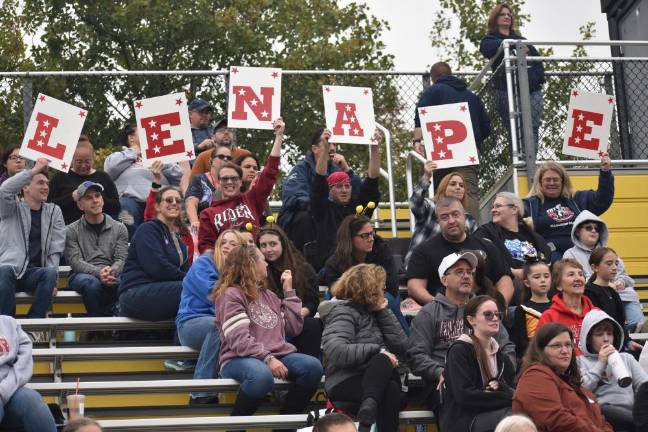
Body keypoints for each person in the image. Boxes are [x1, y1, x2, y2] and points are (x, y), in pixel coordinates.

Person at [214, 244, 324, 422]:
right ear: (251, 264)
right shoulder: (231, 295)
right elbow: (238, 340)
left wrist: (289, 292)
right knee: (261, 376)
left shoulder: (270, 296)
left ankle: (285, 424)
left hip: (277, 354)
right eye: (262, 260)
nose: (266, 264)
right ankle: (235, 427)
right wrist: (268, 359)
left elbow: (293, 328)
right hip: (238, 358)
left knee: (312, 367)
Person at [407, 252, 516, 413]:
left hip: (487, 378)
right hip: (445, 382)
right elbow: (417, 355)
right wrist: (442, 372)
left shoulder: (485, 309)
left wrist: (501, 374)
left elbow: (506, 347)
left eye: (469, 272)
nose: (466, 276)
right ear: (444, 280)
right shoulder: (429, 313)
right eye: (459, 272)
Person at [320, 264, 407, 432]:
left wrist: (383, 312)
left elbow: (402, 345)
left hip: (378, 377)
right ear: (369, 288)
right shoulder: (342, 312)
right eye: (381, 287)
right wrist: (377, 350)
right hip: (346, 379)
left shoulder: (376, 311)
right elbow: (337, 351)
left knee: (389, 384)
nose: (385, 290)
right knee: (388, 384)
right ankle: (369, 407)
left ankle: (369, 407)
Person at [412, 61, 491, 219]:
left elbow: (420, 116)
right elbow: (486, 127)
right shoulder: (472, 97)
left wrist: (417, 141)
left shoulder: (433, 91)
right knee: (468, 193)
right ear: (451, 74)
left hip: (443, 153)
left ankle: (444, 229)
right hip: (468, 153)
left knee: (442, 192)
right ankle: (473, 232)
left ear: (434, 78)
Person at [177, 229, 246, 404]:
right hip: (191, 323)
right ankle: (200, 392)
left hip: (225, 323)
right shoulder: (204, 263)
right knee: (218, 325)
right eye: (223, 242)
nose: (226, 246)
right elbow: (214, 295)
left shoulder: (242, 272)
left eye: (232, 243)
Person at [198, 117, 284, 254]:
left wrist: (279, 136)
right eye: (225, 179)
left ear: (240, 181)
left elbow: (270, 172)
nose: (230, 182)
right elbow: (206, 247)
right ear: (219, 182)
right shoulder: (208, 214)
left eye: (234, 178)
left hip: (253, 259)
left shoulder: (251, 199)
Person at [406, 197, 515, 305]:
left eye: (455, 214)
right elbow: (414, 287)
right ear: (438, 221)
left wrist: (499, 307)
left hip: (485, 312)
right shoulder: (423, 251)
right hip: (443, 315)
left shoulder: (487, 247)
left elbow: (505, 281)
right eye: (445, 217)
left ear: (464, 216)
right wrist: (439, 306)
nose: (451, 221)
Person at [300, 131, 382, 270]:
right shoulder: (323, 210)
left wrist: (374, 147)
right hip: (332, 269)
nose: (344, 190)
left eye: (347, 186)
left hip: (360, 268)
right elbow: (319, 180)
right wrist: (325, 149)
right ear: (330, 190)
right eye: (338, 187)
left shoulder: (359, 209)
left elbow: (372, 180)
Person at [513, 323, 613, 431]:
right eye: (557, 345)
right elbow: (556, 420)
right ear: (540, 350)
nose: (565, 351)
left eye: (568, 345)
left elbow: (601, 421)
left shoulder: (573, 383)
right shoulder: (535, 376)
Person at [320, 214, 409, 334]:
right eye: (365, 235)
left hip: (380, 294)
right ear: (350, 239)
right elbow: (336, 291)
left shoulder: (381, 249)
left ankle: (405, 342)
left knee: (389, 301)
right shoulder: (334, 263)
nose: (371, 238)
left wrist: (372, 299)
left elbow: (392, 284)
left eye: (372, 233)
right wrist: (364, 301)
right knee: (332, 302)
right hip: (350, 299)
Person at [0, 158, 65, 318]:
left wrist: (53, 283)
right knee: (4, 270)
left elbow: (55, 250)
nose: (45, 187)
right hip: (10, 272)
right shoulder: (10, 208)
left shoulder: (54, 211)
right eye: (40, 183)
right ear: (26, 187)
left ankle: (33, 325)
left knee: (50, 273)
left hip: (34, 274)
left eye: (47, 184)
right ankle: (7, 326)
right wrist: (34, 170)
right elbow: (4, 190)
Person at [441, 295, 515, 432]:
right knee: (514, 418)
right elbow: (465, 396)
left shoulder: (501, 356)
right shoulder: (459, 350)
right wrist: (508, 398)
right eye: (488, 314)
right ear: (471, 320)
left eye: (498, 314)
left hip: (494, 413)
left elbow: (510, 390)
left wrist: (507, 393)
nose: (495, 318)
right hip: (464, 420)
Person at [480, 3, 545, 156]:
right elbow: (486, 49)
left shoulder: (522, 40)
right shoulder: (490, 39)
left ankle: (532, 160)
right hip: (506, 90)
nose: (507, 17)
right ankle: (519, 161)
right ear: (496, 18)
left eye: (509, 14)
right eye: (503, 14)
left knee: (533, 125)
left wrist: (531, 80)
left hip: (531, 91)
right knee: (515, 128)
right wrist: (509, 45)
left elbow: (539, 64)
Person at [564, 211, 644, 332]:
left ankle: (631, 332)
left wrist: (621, 282)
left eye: (596, 229)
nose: (593, 231)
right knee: (608, 324)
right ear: (577, 231)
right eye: (588, 228)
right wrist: (603, 283)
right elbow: (573, 280)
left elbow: (624, 275)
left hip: (622, 294)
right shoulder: (570, 254)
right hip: (595, 294)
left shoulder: (608, 252)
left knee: (639, 324)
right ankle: (623, 333)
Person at [523, 157, 614, 262]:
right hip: (549, 257)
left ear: (563, 181)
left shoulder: (577, 199)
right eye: (547, 180)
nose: (552, 183)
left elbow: (602, 200)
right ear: (540, 182)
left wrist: (605, 172)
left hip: (581, 253)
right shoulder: (529, 204)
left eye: (556, 179)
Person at [118, 186, 189, 321]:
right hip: (135, 292)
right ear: (157, 206)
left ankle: (184, 340)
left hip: (162, 291)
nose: (174, 203)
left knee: (204, 289)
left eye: (178, 201)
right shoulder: (148, 229)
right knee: (196, 289)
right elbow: (157, 267)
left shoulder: (179, 241)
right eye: (168, 200)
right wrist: (192, 280)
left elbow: (186, 270)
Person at [104, 123, 184, 239]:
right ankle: (134, 245)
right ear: (131, 138)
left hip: (159, 200)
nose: (149, 132)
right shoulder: (119, 155)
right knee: (125, 212)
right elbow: (109, 169)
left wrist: (163, 162)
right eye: (142, 131)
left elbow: (178, 176)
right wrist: (133, 152)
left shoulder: (160, 154)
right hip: (130, 200)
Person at [256, 223, 322, 358]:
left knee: (312, 325)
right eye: (263, 245)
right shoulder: (258, 270)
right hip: (269, 323)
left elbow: (312, 302)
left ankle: (310, 366)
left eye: (273, 244)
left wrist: (296, 316)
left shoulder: (302, 268)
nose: (268, 249)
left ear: (283, 245)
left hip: (297, 318)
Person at [65, 181, 128, 317]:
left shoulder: (120, 228)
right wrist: (99, 272)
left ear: (102, 200)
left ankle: (115, 327)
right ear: (80, 205)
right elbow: (75, 262)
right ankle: (98, 327)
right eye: (88, 198)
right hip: (82, 274)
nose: (95, 200)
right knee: (91, 284)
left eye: (97, 196)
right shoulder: (70, 230)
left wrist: (111, 271)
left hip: (112, 272)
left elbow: (121, 259)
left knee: (124, 282)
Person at [278, 128, 361, 230]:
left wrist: (347, 169)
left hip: (329, 217)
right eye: (327, 143)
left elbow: (358, 194)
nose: (332, 148)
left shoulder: (336, 169)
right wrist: (327, 205)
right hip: (300, 220)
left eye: (334, 144)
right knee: (305, 217)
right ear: (315, 149)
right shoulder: (301, 169)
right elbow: (294, 198)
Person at [578, 310, 648, 431]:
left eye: (609, 334)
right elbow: (581, 391)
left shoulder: (626, 358)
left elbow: (644, 386)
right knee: (606, 409)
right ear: (588, 338)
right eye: (599, 335)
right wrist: (601, 363)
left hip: (630, 413)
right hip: (600, 414)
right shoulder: (579, 361)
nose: (606, 339)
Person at [405, 164, 478, 268]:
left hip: (454, 270)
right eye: (453, 184)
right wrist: (426, 176)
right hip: (421, 266)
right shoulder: (430, 206)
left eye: (461, 186)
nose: (458, 187)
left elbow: (473, 247)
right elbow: (414, 203)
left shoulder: (470, 220)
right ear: (443, 187)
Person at [0, 314, 57, 431]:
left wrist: (2, 391)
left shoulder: (9, 323)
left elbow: (23, 364)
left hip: (10, 388)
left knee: (31, 400)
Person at [49, 135, 120, 225]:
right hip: (66, 230)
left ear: (93, 159)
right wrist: (71, 197)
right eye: (79, 162)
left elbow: (116, 207)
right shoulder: (61, 177)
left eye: (87, 161)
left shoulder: (103, 177)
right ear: (72, 159)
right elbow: (48, 206)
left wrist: (97, 198)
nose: (83, 166)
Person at [585, 247, 641, 352]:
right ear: (595, 267)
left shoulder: (613, 292)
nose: (614, 267)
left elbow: (620, 322)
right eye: (609, 263)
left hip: (616, 347)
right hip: (600, 349)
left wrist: (628, 342)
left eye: (616, 263)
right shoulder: (589, 292)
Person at [537, 259, 596, 354]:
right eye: (571, 274)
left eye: (581, 274)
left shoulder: (596, 314)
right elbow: (539, 351)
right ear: (559, 285)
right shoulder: (549, 317)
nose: (578, 278)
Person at [510, 261, 553, 359]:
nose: (543, 280)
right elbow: (521, 342)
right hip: (534, 358)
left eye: (546, 276)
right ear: (527, 283)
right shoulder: (523, 309)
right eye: (537, 277)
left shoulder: (557, 306)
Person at [185, 145, 231, 233]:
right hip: (202, 229)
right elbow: (191, 203)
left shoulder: (233, 183)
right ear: (211, 161)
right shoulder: (200, 179)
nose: (225, 159)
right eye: (221, 156)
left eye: (229, 158)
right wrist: (195, 222)